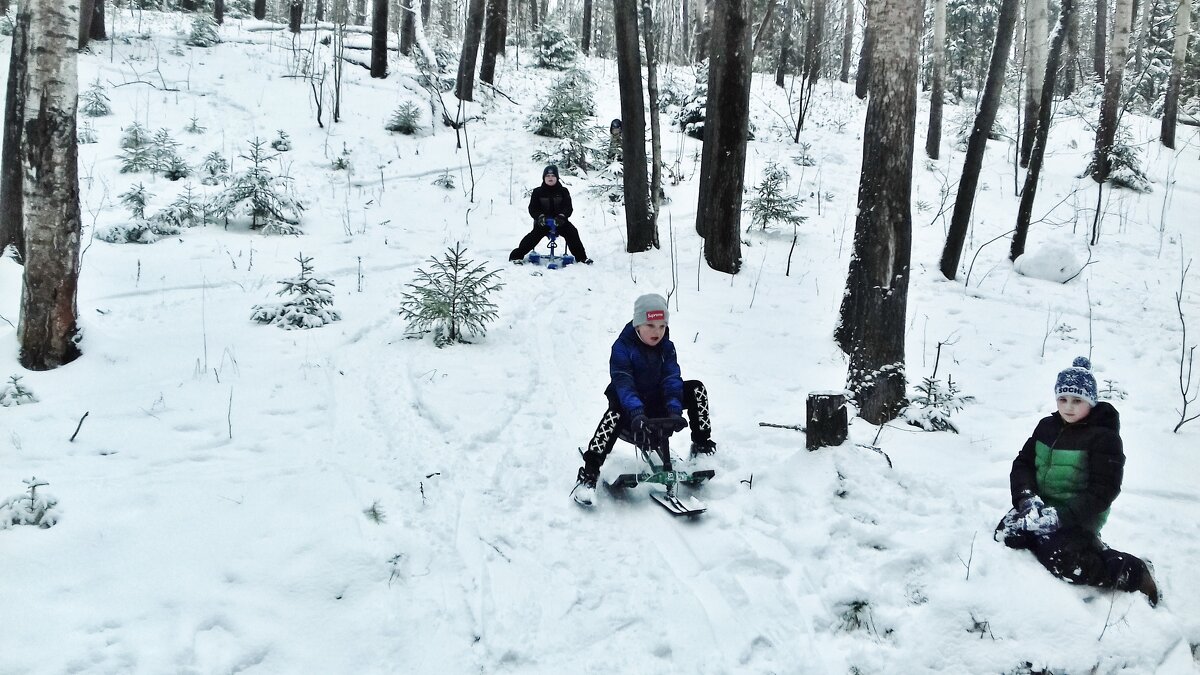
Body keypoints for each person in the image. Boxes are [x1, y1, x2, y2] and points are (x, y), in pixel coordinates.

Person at [995, 356, 1159, 606]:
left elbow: (1104, 490)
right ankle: (1060, 540)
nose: (1068, 407)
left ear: (1091, 401)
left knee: (1065, 562)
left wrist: (1060, 517)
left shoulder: (1104, 438)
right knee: (1007, 533)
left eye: (1077, 400)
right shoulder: (1046, 427)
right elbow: (1023, 463)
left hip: (1077, 519)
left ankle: (1135, 571)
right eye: (1062, 399)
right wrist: (1027, 499)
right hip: (1038, 508)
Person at [571, 294, 717, 506]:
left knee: (696, 389)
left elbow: (671, 378)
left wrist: (674, 411)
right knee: (613, 416)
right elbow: (624, 383)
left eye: (662, 326)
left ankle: (702, 448)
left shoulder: (667, 347)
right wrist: (637, 412)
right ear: (638, 324)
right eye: (650, 325)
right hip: (630, 411)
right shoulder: (623, 347)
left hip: (658, 405)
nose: (657, 332)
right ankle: (589, 473)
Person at [509, 165, 592, 265]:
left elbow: (568, 208)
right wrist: (540, 217)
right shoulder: (537, 192)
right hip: (543, 222)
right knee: (532, 237)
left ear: (557, 177)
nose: (550, 178)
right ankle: (516, 256)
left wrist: (562, 216)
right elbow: (533, 208)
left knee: (572, 232)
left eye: (553, 175)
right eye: (547, 175)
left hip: (560, 222)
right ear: (544, 178)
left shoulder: (563, 191)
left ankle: (582, 258)